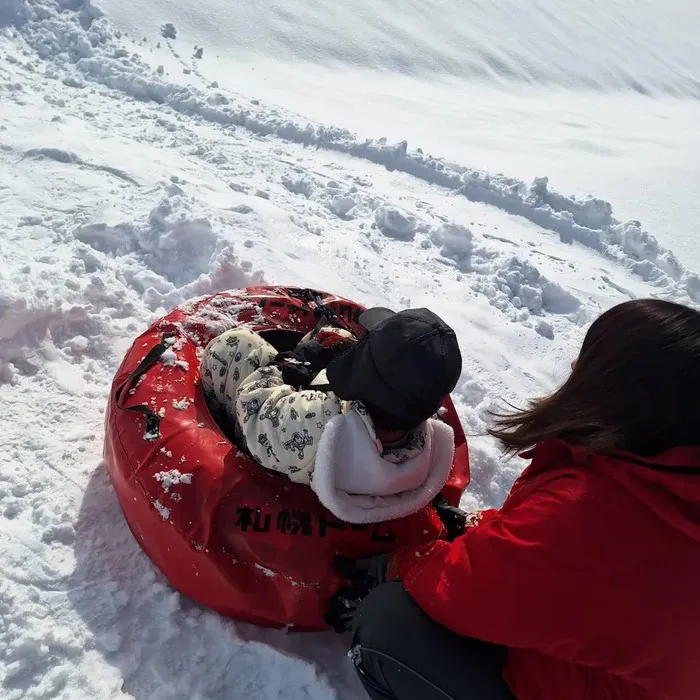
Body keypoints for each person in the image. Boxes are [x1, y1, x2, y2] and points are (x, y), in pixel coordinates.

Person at [327, 298, 700, 700]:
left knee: (389, 623)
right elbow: (563, 576)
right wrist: (486, 532)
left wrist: (397, 565)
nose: (574, 369)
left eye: (589, 362)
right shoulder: (662, 476)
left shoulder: (593, 512)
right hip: (625, 677)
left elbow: (466, 590)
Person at [200, 306, 463, 524]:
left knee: (236, 346)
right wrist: (346, 353)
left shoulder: (318, 422)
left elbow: (254, 406)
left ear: (365, 378)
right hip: (344, 465)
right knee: (331, 335)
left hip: (274, 441)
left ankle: (215, 417)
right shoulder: (422, 438)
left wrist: (289, 365)